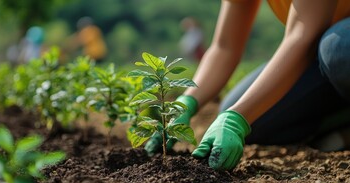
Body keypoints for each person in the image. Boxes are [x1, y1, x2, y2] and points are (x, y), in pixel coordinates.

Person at [145, 0, 350, 171]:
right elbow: (225, 47)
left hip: (336, 45)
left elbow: (303, 34)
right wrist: (186, 103)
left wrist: (237, 119)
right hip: (318, 55)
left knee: (339, 50)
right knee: (248, 114)